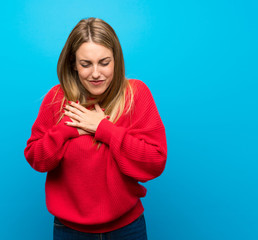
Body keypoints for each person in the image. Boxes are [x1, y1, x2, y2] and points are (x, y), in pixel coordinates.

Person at [24, 17, 167, 240]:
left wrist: (103, 128)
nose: (96, 73)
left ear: (116, 61)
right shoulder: (56, 99)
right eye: (86, 64)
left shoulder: (136, 94)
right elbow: (37, 159)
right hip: (69, 231)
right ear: (73, 63)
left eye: (104, 62)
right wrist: (67, 130)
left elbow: (154, 163)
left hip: (127, 228)